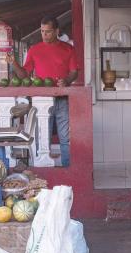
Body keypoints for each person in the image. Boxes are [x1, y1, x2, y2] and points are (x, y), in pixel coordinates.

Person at [6, 16, 79, 166]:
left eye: (48, 32)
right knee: (42, 136)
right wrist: (13, 63)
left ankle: (68, 168)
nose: (44, 35)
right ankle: (43, 167)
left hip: (63, 98)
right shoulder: (34, 50)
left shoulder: (68, 49)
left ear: (57, 31)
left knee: (65, 137)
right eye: (42, 31)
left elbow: (74, 72)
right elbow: (24, 75)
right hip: (41, 100)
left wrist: (67, 81)